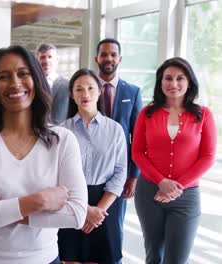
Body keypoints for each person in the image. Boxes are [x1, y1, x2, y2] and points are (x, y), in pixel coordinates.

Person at [0, 45, 88, 264]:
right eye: (4, 77)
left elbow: (76, 215)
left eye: (23, 74)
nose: (15, 83)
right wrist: (38, 201)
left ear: (36, 78)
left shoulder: (62, 140)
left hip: (42, 259)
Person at [132, 57, 216, 264]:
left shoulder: (203, 115)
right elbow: (137, 153)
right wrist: (161, 181)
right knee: (154, 256)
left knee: (177, 259)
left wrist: (177, 187)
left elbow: (208, 157)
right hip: (149, 193)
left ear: (189, 82)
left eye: (180, 78)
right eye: (168, 78)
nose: (173, 84)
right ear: (160, 82)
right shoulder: (147, 113)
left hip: (186, 197)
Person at [58, 69, 127, 264]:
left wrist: (97, 211)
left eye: (90, 88)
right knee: (70, 259)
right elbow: (57, 174)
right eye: (79, 89)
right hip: (71, 202)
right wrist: (84, 209)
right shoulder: (62, 130)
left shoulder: (114, 129)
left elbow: (120, 173)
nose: (85, 94)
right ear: (72, 95)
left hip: (104, 205)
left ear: (99, 92)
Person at [94, 38, 143, 261]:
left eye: (113, 54)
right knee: (86, 221)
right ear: (97, 58)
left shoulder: (132, 92)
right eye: (104, 54)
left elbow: (138, 137)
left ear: (119, 59)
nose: (109, 59)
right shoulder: (85, 88)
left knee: (114, 225)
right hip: (89, 169)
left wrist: (133, 176)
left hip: (119, 172)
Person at [36, 43, 69, 124]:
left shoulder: (67, 85)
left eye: (50, 57)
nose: (46, 61)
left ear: (57, 60)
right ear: (37, 60)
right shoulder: (32, 84)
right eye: (42, 57)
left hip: (60, 132)